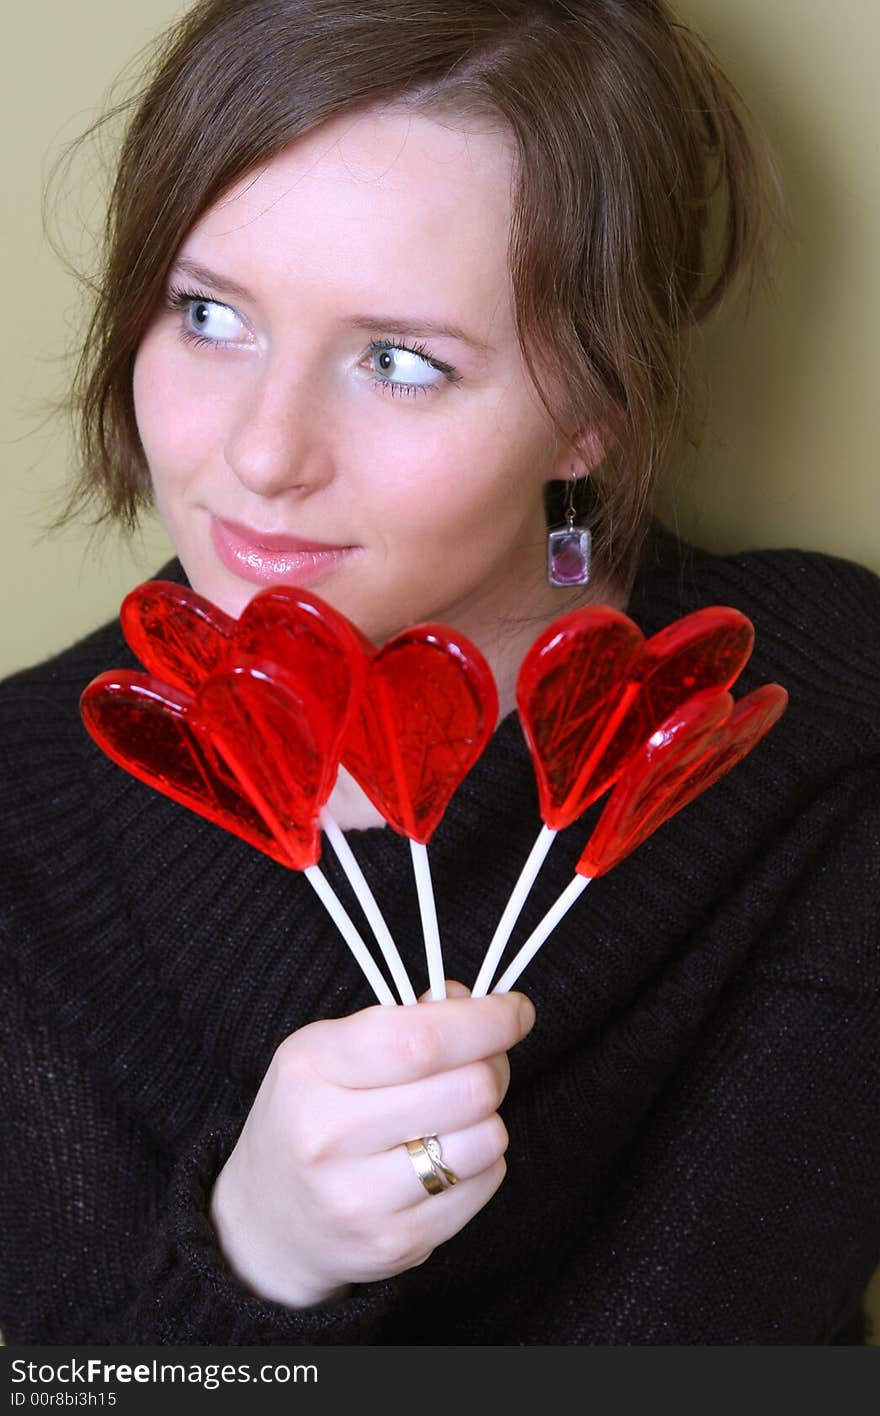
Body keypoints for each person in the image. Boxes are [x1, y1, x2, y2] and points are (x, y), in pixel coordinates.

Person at [1, 0, 878, 1346]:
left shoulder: (820, 739)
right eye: (207, 313)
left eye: (400, 361)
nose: (263, 452)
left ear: (598, 408)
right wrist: (255, 1258)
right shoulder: (22, 822)